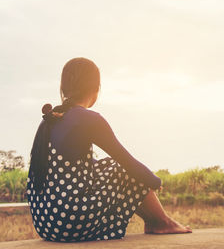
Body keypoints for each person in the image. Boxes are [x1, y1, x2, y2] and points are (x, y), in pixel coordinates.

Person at [26, 57, 192, 242]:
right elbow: (126, 161)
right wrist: (154, 180)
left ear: (63, 89)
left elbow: (70, 166)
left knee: (104, 166)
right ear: (96, 89)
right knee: (121, 168)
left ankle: (155, 222)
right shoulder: (88, 119)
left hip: (46, 224)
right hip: (70, 222)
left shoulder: (50, 119)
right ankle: (162, 222)